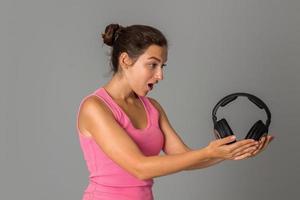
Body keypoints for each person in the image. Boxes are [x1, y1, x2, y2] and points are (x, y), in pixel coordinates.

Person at [76, 23, 274, 200]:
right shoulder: (95, 107)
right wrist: (208, 152)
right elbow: (140, 167)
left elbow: (184, 158)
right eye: (152, 65)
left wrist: (230, 152)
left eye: (162, 66)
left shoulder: (152, 107)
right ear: (126, 60)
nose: (160, 75)